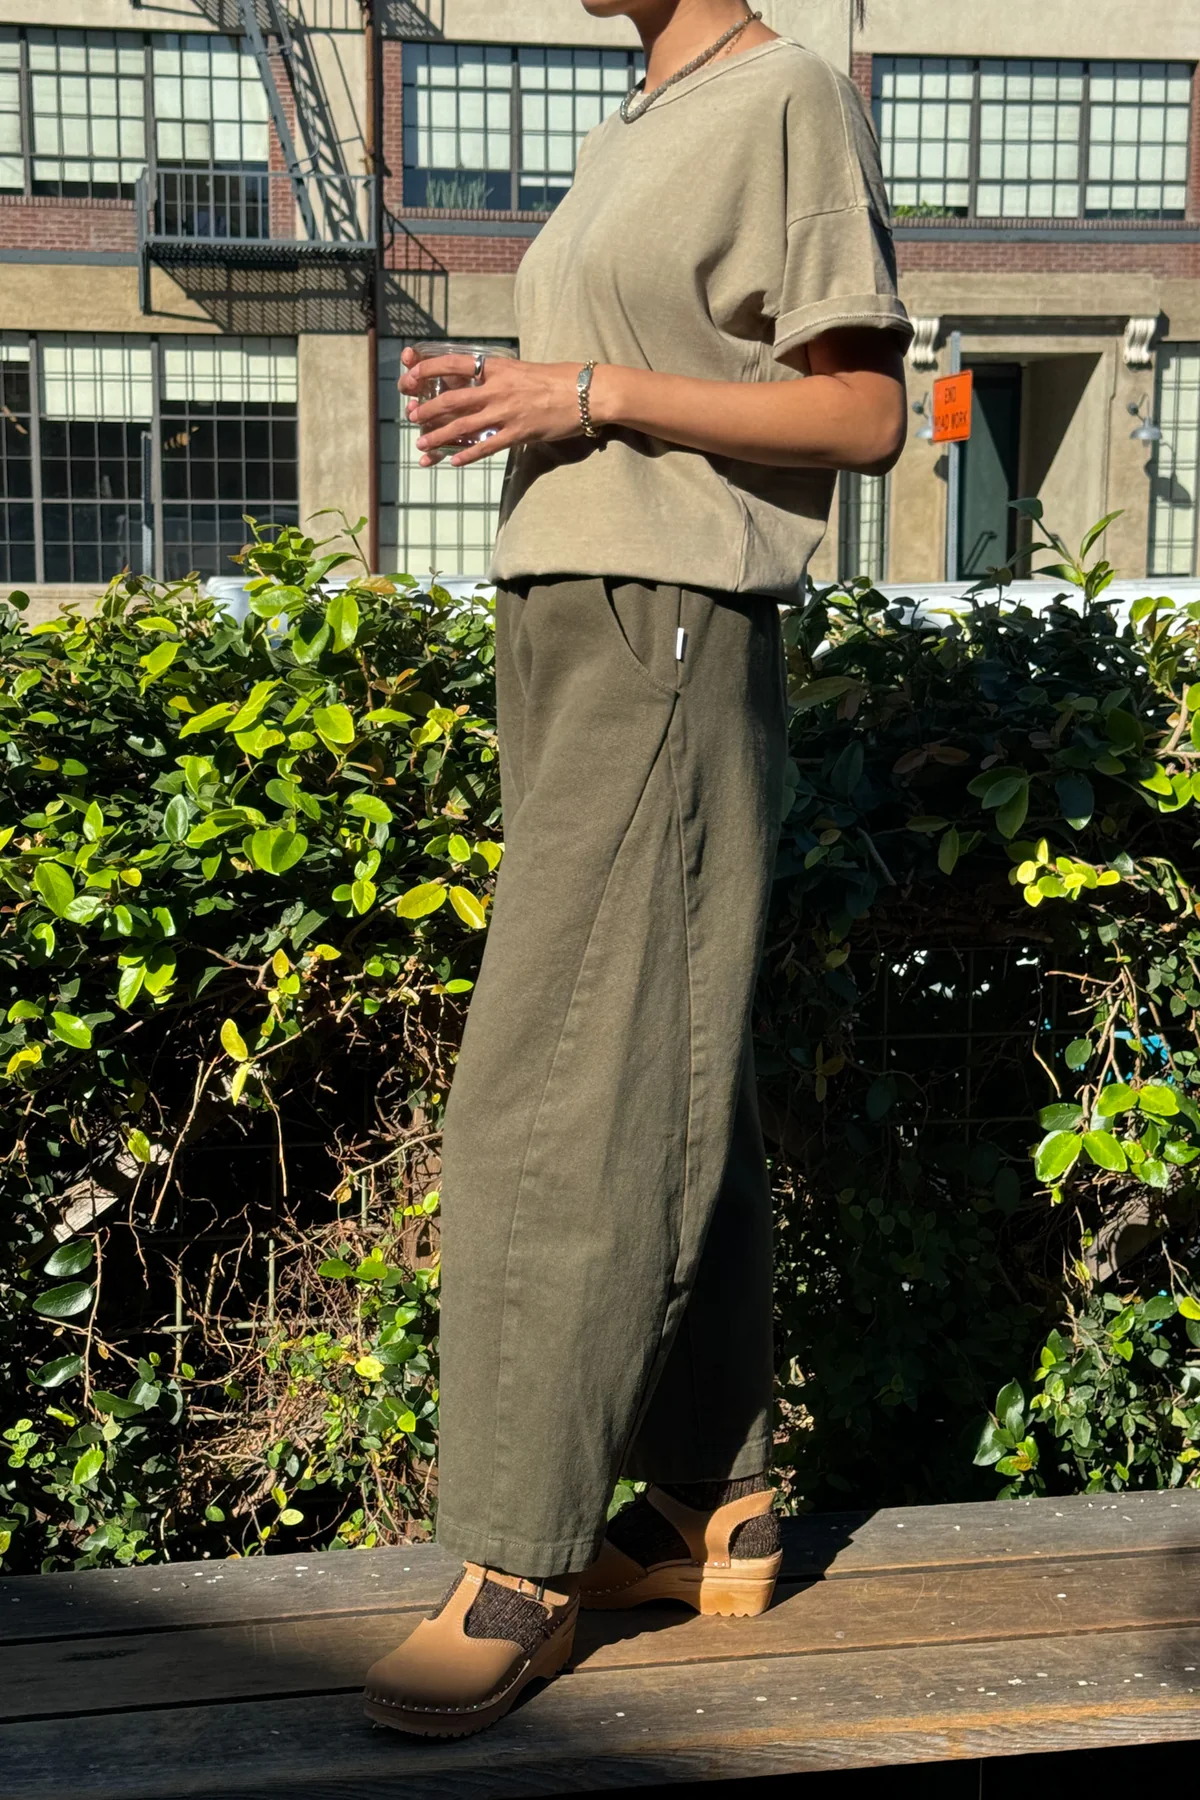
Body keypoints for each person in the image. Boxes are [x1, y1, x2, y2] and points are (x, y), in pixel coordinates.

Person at [363, 0, 909, 1738]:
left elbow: (869, 414)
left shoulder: (784, 95)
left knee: (557, 1077)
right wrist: (533, 408)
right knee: (663, 1056)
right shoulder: (641, 112)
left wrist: (585, 390)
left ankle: (520, 1555)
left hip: (669, 608)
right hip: (573, 609)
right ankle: (703, 1500)